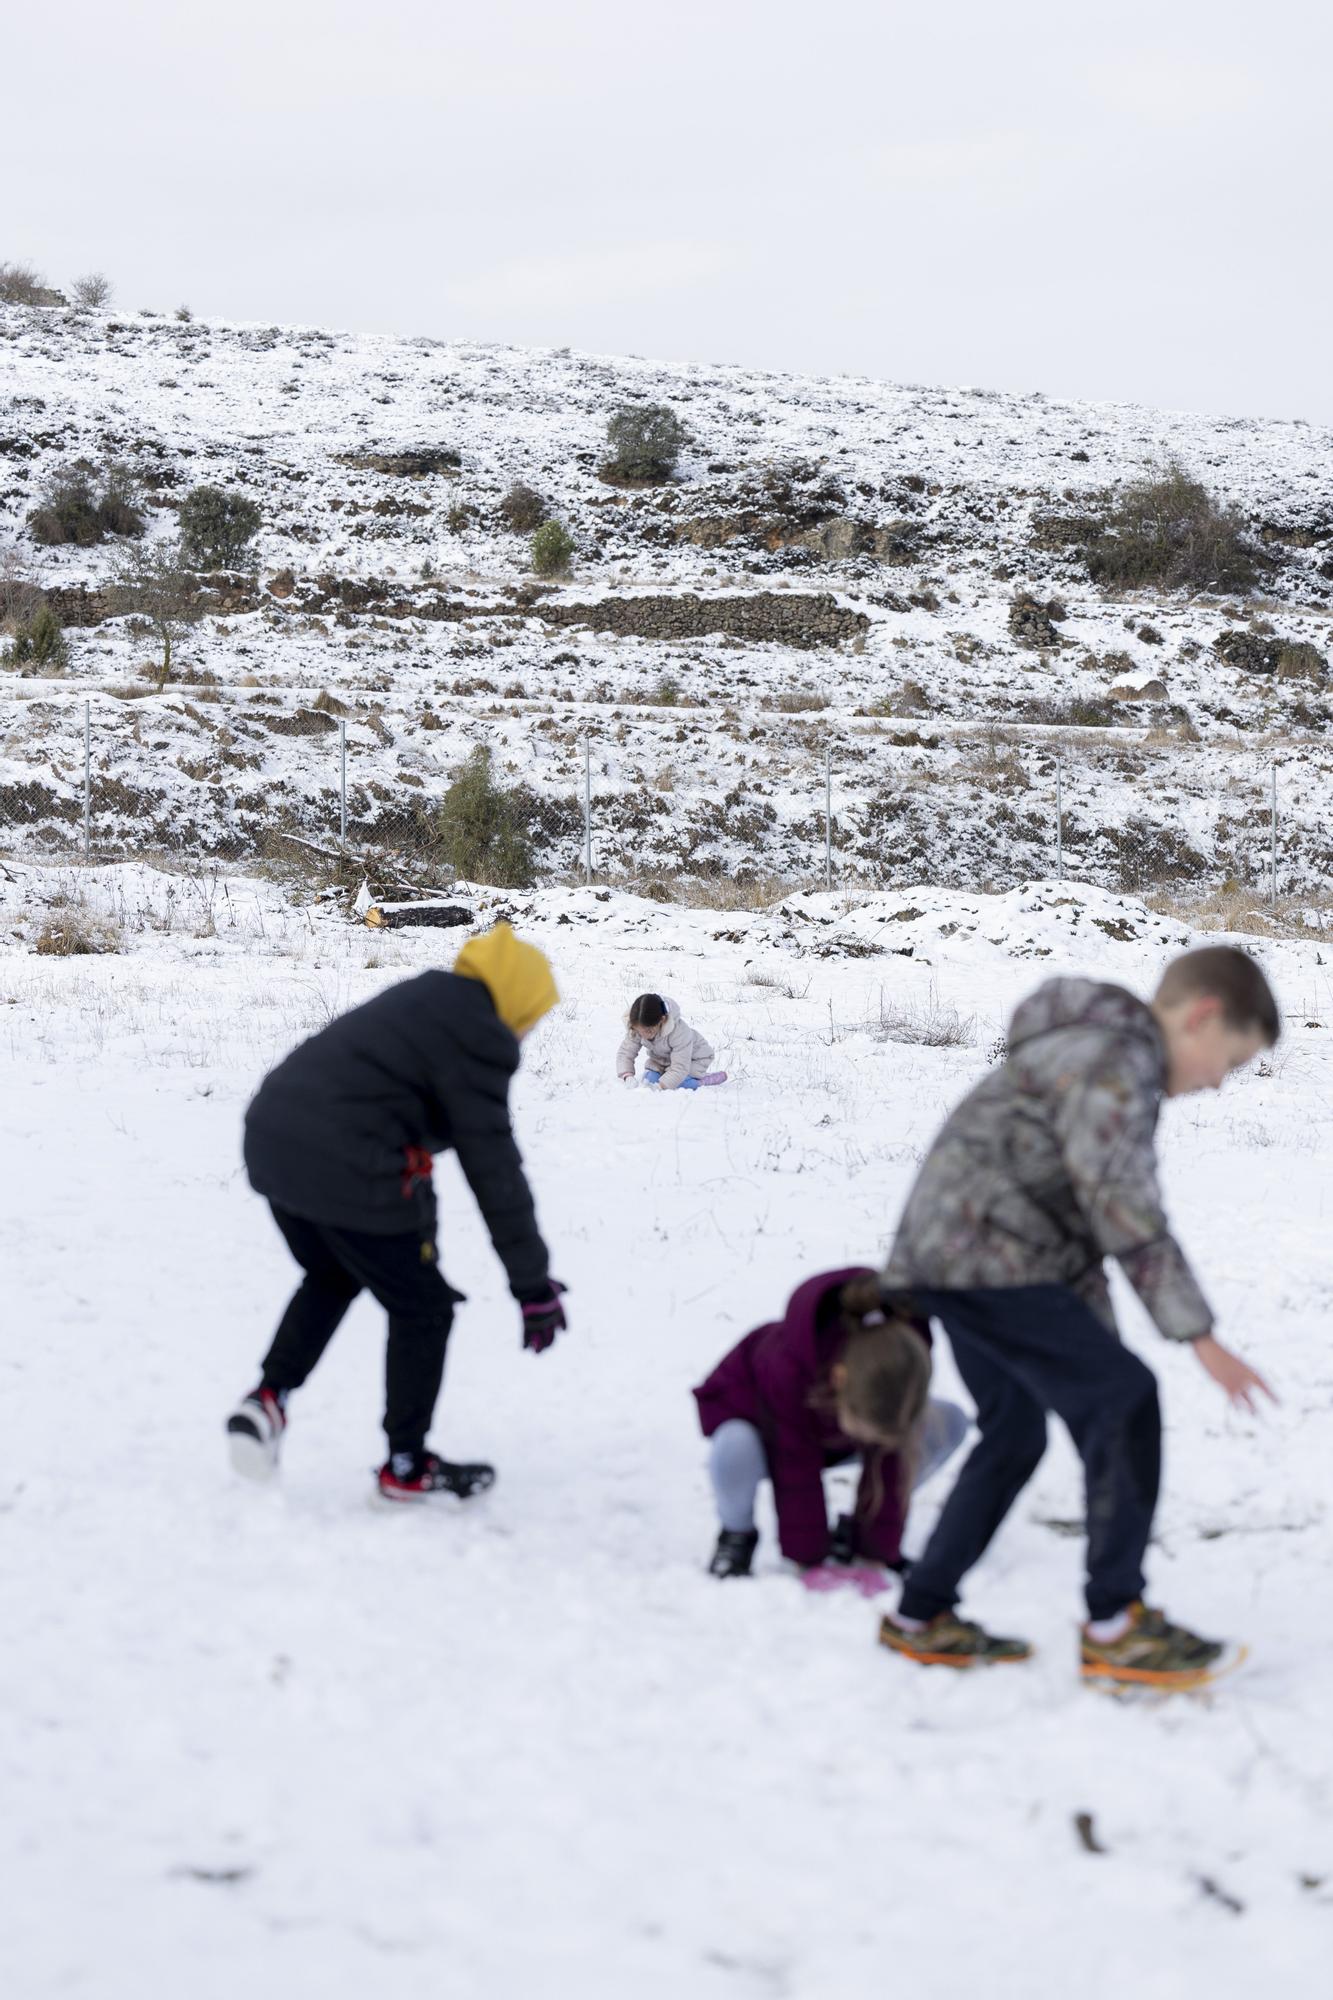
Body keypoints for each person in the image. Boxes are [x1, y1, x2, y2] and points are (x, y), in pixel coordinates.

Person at [876, 946, 1279, 1685]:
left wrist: (1104, 1342)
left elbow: (1077, 1224)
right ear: (1202, 1017)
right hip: (986, 1258)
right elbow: (1119, 1202)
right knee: (1125, 1399)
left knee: (1017, 1432)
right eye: (1232, 1059)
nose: (1221, 1082)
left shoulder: (1092, 1049)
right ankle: (1116, 1624)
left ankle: (918, 1613)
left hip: (958, 1257)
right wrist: (1198, 1335)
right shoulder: (1115, 1059)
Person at [226, 922, 568, 1504]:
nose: (528, 1031)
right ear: (514, 999)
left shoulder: (426, 997)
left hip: (272, 1139)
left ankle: (267, 1400)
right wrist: (532, 1284)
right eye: (532, 1017)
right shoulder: (478, 1034)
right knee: (424, 1309)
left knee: (334, 1273)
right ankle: (406, 1464)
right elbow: (494, 1169)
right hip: (344, 1161)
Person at [693, 1268, 968, 1579]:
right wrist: (808, 1559)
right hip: (768, 1433)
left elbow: (891, 1460)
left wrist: (875, 1550)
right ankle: (736, 1533)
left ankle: (857, 1529)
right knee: (734, 1446)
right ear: (839, 1381)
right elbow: (795, 1467)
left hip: (842, 1425)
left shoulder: (899, 1360)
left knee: (951, 1421)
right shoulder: (786, 1368)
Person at [617, 992, 724, 1090]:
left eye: (648, 1031)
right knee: (648, 1080)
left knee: (680, 1084)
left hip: (694, 1060)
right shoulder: (638, 1025)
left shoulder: (680, 1033)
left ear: (662, 1020)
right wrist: (627, 1076)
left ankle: (702, 1081)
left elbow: (680, 1068)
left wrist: (661, 1086)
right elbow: (626, 1052)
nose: (643, 1036)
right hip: (665, 1061)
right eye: (640, 1032)